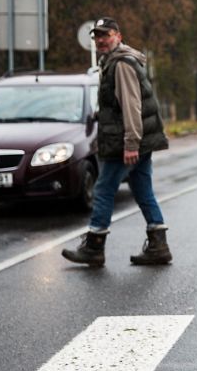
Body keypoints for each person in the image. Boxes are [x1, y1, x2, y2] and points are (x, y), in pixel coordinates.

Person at [62, 17, 172, 267]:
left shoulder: (121, 64)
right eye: (97, 36)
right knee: (143, 190)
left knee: (103, 190)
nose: (101, 40)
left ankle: (94, 247)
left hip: (125, 142)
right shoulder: (114, 61)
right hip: (135, 139)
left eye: (106, 34)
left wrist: (131, 143)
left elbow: (132, 106)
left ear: (118, 36)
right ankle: (159, 245)